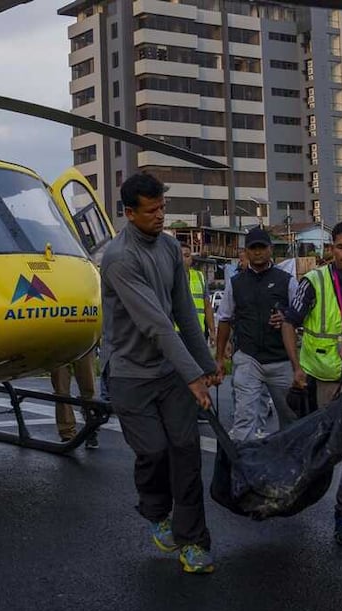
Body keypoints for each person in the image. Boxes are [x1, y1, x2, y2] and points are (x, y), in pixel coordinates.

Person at [99, 172, 221, 574]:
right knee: (154, 451)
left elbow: (184, 313)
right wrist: (193, 376)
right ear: (129, 213)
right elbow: (155, 324)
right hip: (130, 374)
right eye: (151, 211)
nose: (160, 216)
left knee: (186, 452)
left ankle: (194, 543)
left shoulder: (169, 247)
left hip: (169, 372)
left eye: (163, 208)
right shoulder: (119, 258)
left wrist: (206, 365)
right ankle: (156, 511)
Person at [283, 221, 342, 547]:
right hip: (318, 378)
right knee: (321, 450)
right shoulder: (314, 281)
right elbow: (289, 324)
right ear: (331, 249)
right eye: (341, 247)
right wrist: (296, 368)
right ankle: (293, 496)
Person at [214, 227, 303, 442]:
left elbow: (301, 316)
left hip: (282, 360)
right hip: (248, 358)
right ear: (246, 252)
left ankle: (289, 467)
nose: (258, 253)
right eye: (253, 248)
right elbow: (225, 319)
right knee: (244, 420)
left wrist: (286, 318)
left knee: (292, 419)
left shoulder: (287, 281)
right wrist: (218, 358)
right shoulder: (236, 283)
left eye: (262, 247)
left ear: (270, 249)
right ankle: (243, 469)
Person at [50, 352, 98, 448]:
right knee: (61, 392)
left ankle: (91, 428)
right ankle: (66, 432)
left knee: (88, 389)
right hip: (58, 345)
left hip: (84, 344)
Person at [180, 242, 215, 341]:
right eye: (179, 256)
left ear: (191, 259)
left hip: (198, 332)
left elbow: (207, 307)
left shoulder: (200, 277)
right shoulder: (168, 277)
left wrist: (212, 331)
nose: (183, 259)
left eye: (187, 256)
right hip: (176, 333)